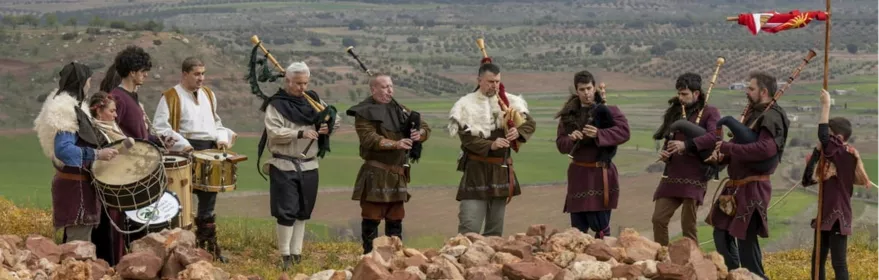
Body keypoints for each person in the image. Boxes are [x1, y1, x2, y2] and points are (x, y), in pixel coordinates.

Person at [705, 72, 789, 279]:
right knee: (721, 234)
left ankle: (756, 278)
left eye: (751, 89)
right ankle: (735, 275)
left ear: (764, 91)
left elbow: (765, 150)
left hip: (753, 187)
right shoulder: (753, 113)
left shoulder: (772, 116)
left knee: (745, 241)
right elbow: (739, 145)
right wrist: (721, 156)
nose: (746, 92)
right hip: (734, 187)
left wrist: (728, 149)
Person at [152, 57, 236, 262]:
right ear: (185, 74)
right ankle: (178, 250)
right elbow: (160, 128)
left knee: (208, 201)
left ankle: (208, 247)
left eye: (203, 73)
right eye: (197, 74)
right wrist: (184, 145)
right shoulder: (171, 96)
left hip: (208, 150)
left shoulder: (208, 94)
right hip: (184, 151)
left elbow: (216, 122)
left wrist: (221, 139)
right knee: (181, 203)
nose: (201, 78)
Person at [259, 61, 340, 270]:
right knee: (286, 211)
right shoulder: (276, 104)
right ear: (287, 81)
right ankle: (284, 255)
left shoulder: (313, 100)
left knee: (303, 210)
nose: (302, 88)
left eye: (305, 83)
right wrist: (300, 133)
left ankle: (297, 253)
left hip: (309, 165)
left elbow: (333, 118)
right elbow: (274, 132)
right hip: (284, 164)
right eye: (297, 83)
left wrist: (327, 126)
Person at [33, 62, 118, 245]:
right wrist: (97, 154)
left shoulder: (72, 108)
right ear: (81, 83)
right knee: (77, 247)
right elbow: (64, 150)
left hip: (76, 185)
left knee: (77, 244)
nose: (89, 86)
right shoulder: (65, 111)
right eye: (88, 81)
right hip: (76, 188)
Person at [448, 62, 536, 237]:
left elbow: (530, 124)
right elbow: (467, 139)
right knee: (469, 227)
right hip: (476, 171)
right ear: (479, 80)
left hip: (500, 170)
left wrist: (516, 132)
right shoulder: (465, 105)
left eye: (497, 81)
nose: (494, 85)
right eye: (490, 81)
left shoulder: (510, 101)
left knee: (495, 231)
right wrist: (491, 145)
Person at [346, 74, 431, 254]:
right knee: (371, 220)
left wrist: (419, 134)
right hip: (375, 173)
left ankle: (395, 259)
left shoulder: (400, 109)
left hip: (397, 174)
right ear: (373, 89)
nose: (389, 90)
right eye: (384, 87)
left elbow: (425, 126)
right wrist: (396, 144)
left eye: (391, 86)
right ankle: (370, 258)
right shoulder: (364, 112)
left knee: (395, 220)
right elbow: (369, 138)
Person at [800, 89, 872, 280]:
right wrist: (817, 153)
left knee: (838, 262)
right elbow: (807, 178)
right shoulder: (835, 154)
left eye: (831, 135)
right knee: (818, 260)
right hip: (827, 211)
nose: (825, 141)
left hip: (837, 212)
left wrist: (826, 106)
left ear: (838, 137)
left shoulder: (843, 153)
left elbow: (824, 137)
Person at [554, 70, 630, 238]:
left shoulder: (609, 110)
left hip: (601, 174)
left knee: (601, 227)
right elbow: (560, 144)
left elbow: (624, 132)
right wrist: (571, 139)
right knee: (578, 228)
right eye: (582, 89)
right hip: (578, 175)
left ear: (594, 88)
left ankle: (605, 258)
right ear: (576, 90)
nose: (586, 93)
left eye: (589, 88)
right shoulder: (568, 116)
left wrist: (599, 134)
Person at [649, 73, 721, 245]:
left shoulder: (710, 112)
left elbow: (714, 138)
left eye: (685, 94)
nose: (680, 98)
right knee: (658, 219)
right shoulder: (675, 113)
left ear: (696, 94)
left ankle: (692, 263)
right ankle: (664, 258)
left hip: (695, 175)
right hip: (672, 175)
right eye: (679, 94)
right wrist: (666, 154)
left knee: (687, 225)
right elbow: (670, 140)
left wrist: (686, 145)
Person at [85, 91, 128, 266]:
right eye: (112, 111)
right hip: (102, 189)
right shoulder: (95, 132)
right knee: (103, 231)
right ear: (98, 111)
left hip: (115, 186)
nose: (116, 115)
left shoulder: (112, 128)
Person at [108, 45, 173, 147]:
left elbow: (140, 135)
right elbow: (112, 135)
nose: (146, 75)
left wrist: (160, 141)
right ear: (132, 73)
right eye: (143, 71)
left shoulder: (132, 96)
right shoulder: (117, 98)